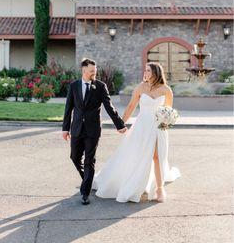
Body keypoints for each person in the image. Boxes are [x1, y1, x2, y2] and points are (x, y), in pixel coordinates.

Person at [92, 62, 181, 203]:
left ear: (156, 73)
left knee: (157, 157)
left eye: (148, 70)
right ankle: (132, 183)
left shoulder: (166, 90)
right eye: (145, 70)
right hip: (142, 126)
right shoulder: (141, 87)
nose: (145, 72)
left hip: (158, 127)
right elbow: (131, 106)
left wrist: (166, 123)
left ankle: (159, 188)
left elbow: (168, 111)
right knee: (137, 155)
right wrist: (120, 124)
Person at [62, 58, 127, 205]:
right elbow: (68, 108)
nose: (94, 73)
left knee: (90, 160)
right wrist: (65, 128)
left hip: (93, 130)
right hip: (77, 128)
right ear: (84, 71)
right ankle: (88, 179)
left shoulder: (100, 86)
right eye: (91, 71)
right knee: (74, 157)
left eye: (95, 71)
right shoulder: (74, 86)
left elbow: (109, 107)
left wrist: (119, 124)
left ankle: (85, 192)